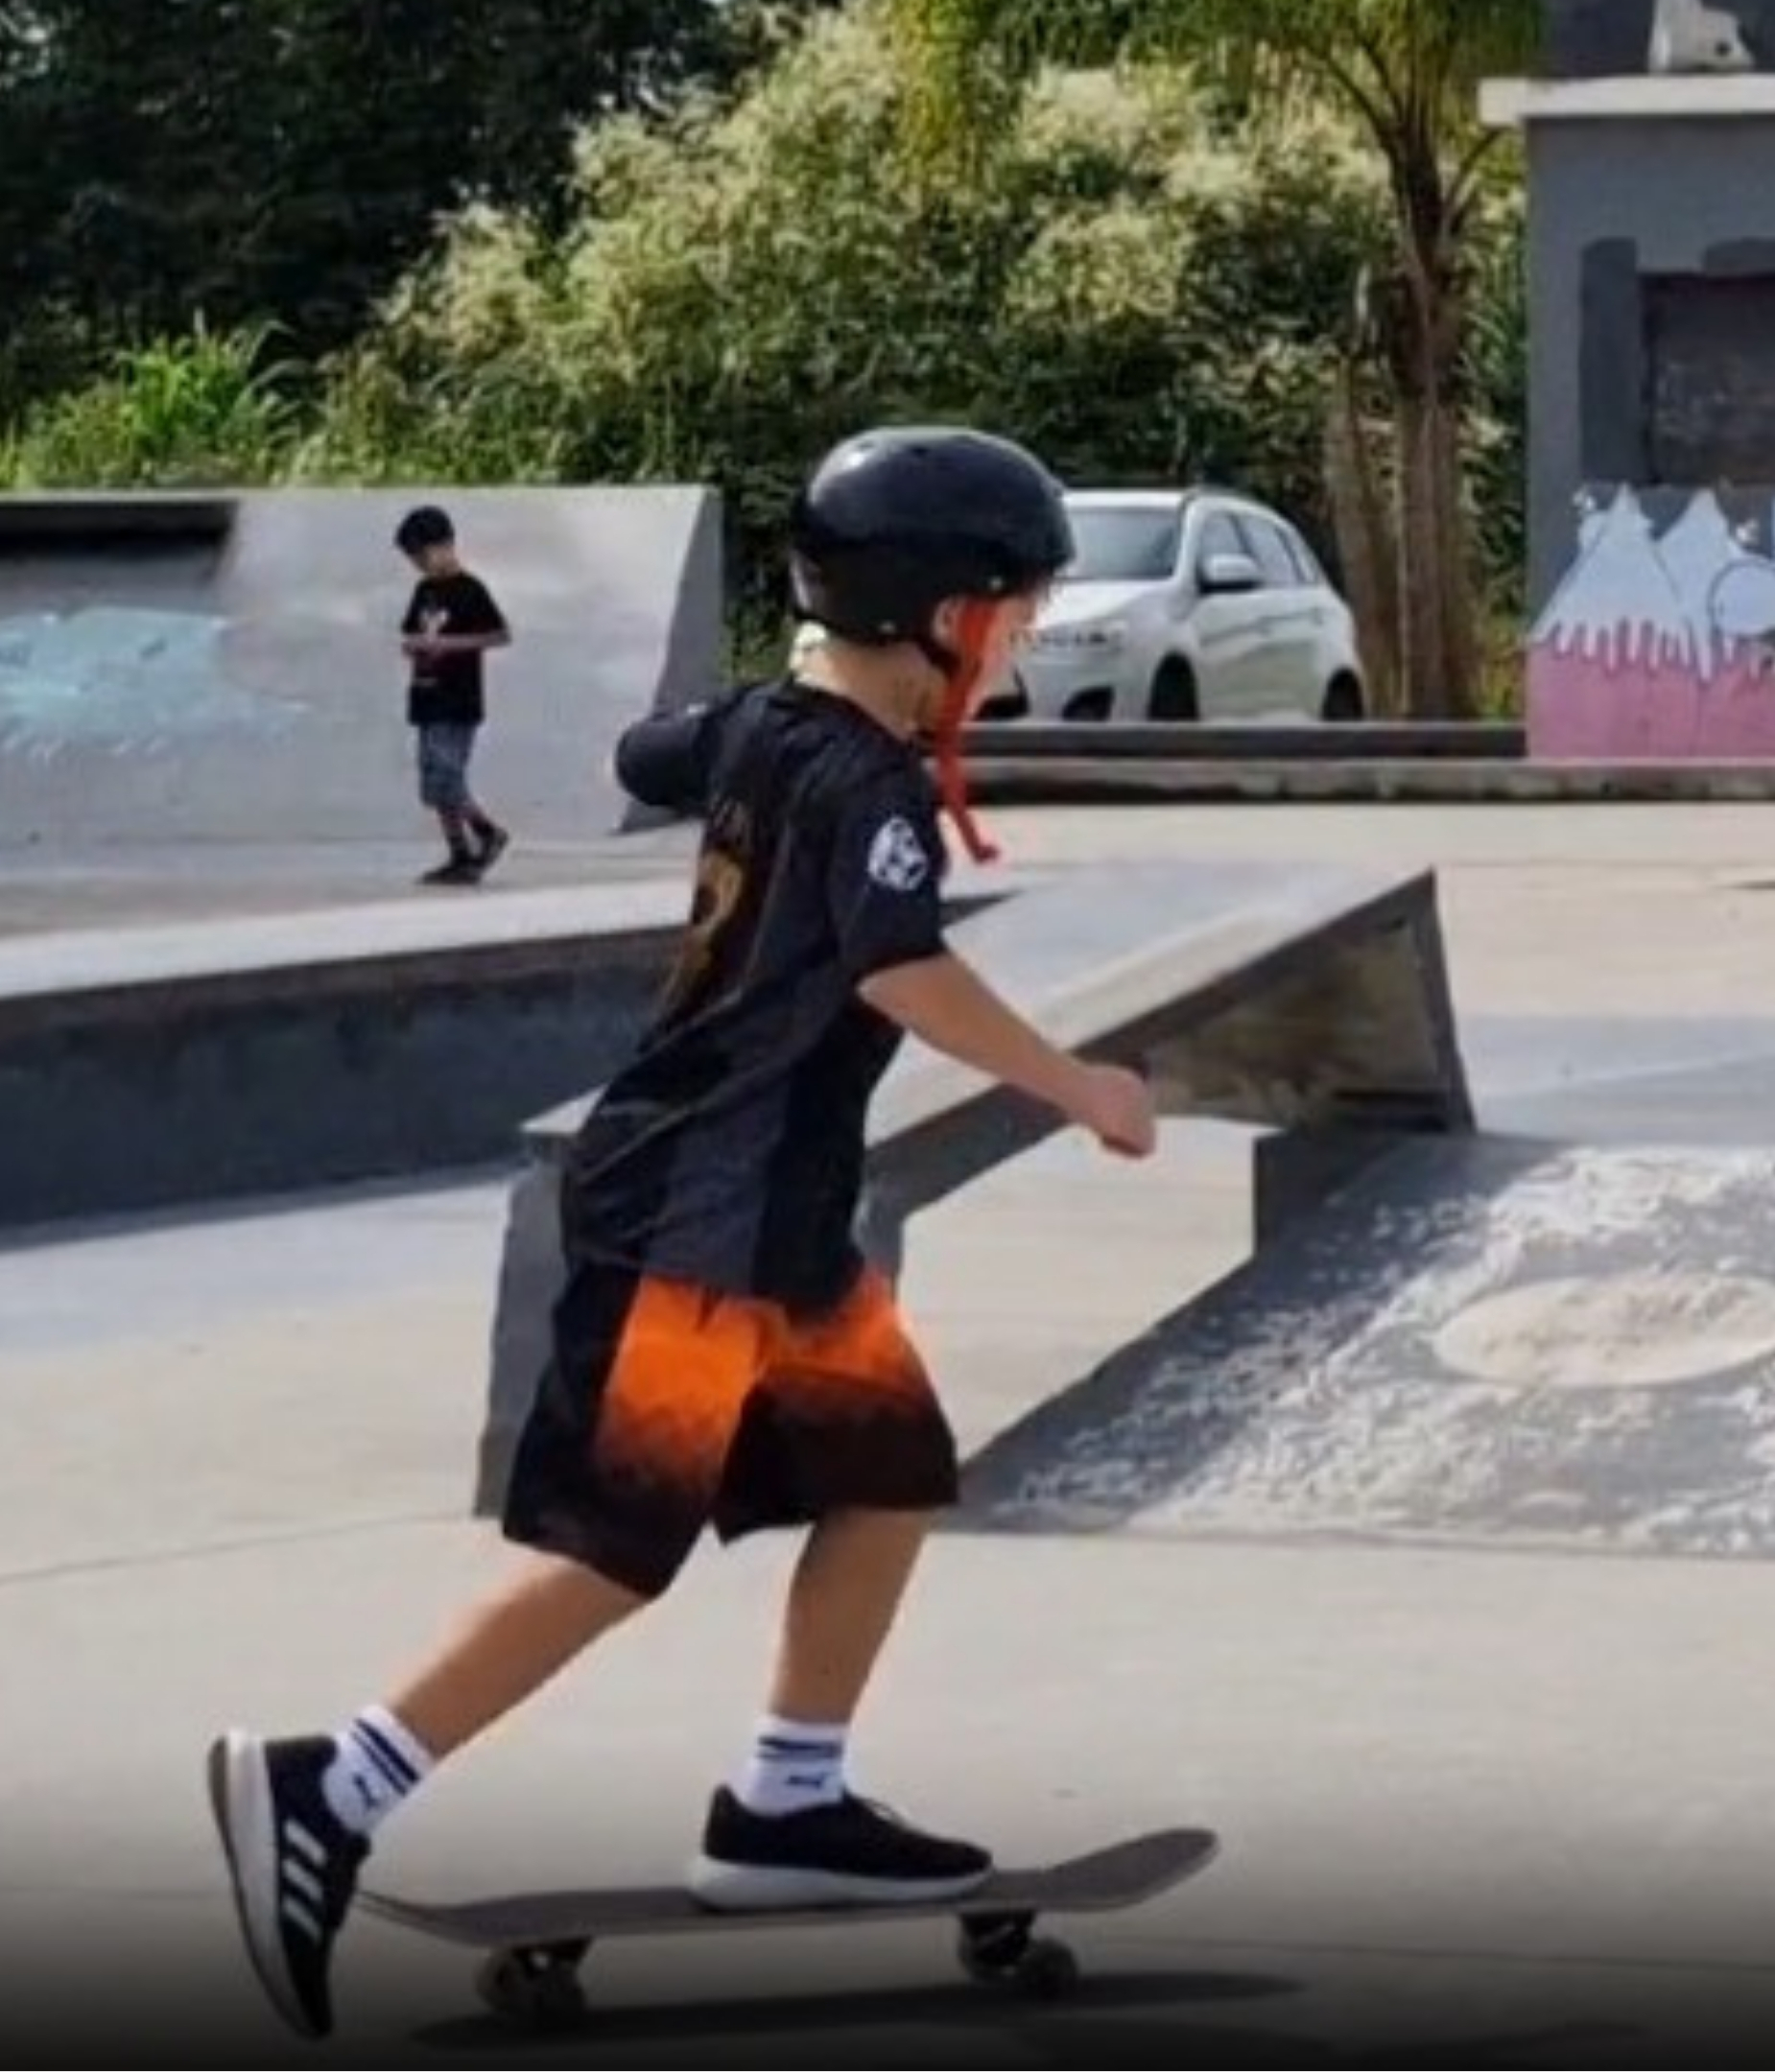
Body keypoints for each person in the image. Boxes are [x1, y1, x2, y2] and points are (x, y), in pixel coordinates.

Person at [206, 427, 1163, 2044]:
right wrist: (1080, 1084)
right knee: (616, 1544)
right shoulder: (869, 787)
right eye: (1012, 615)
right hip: (700, 1221)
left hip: (779, 1226)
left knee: (886, 1476)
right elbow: (899, 972)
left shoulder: (771, 728)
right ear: (937, 616)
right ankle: (331, 1784)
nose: (1017, 651)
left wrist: (768, 701)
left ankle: (787, 1804)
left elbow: (651, 754)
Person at [395, 507, 514, 888]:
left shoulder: (470, 589)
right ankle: (459, 853)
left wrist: (447, 644)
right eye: (412, 560)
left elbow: (498, 635)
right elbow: (414, 632)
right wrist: (414, 648)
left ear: (445, 545)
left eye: (421, 556)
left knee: (449, 775)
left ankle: (487, 831)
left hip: (458, 698)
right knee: (433, 783)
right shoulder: (423, 591)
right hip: (427, 695)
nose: (418, 565)